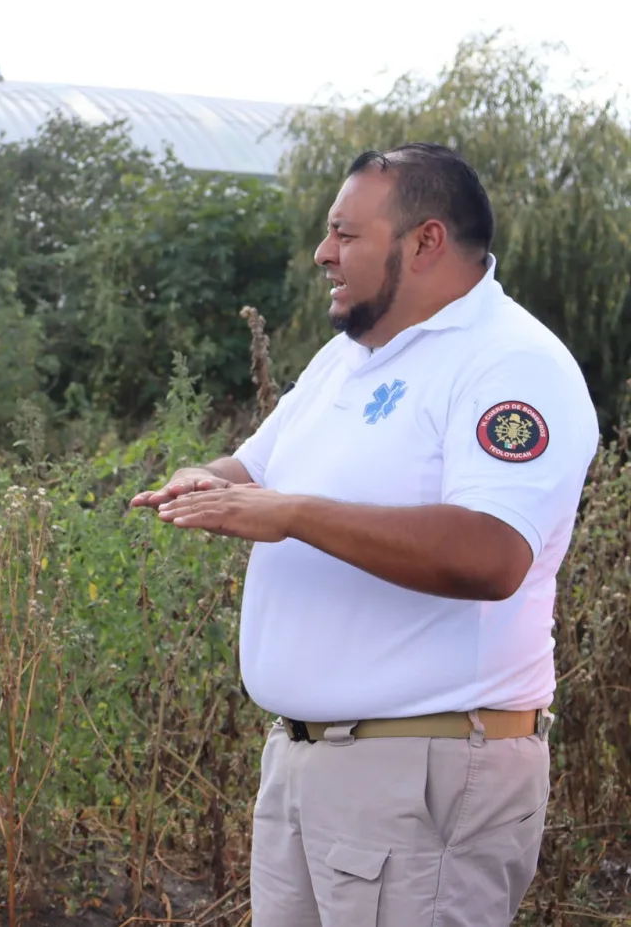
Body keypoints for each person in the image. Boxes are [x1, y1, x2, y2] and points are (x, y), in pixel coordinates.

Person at [131, 143, 599, 925]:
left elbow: (491, 553)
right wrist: (205, 483)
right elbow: (253, 470)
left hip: (424, 772)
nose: (323, 254)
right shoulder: (349, 359)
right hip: (307, 764)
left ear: (425, 241)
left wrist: (290, 515)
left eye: (346, 235)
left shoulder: (511, 365)